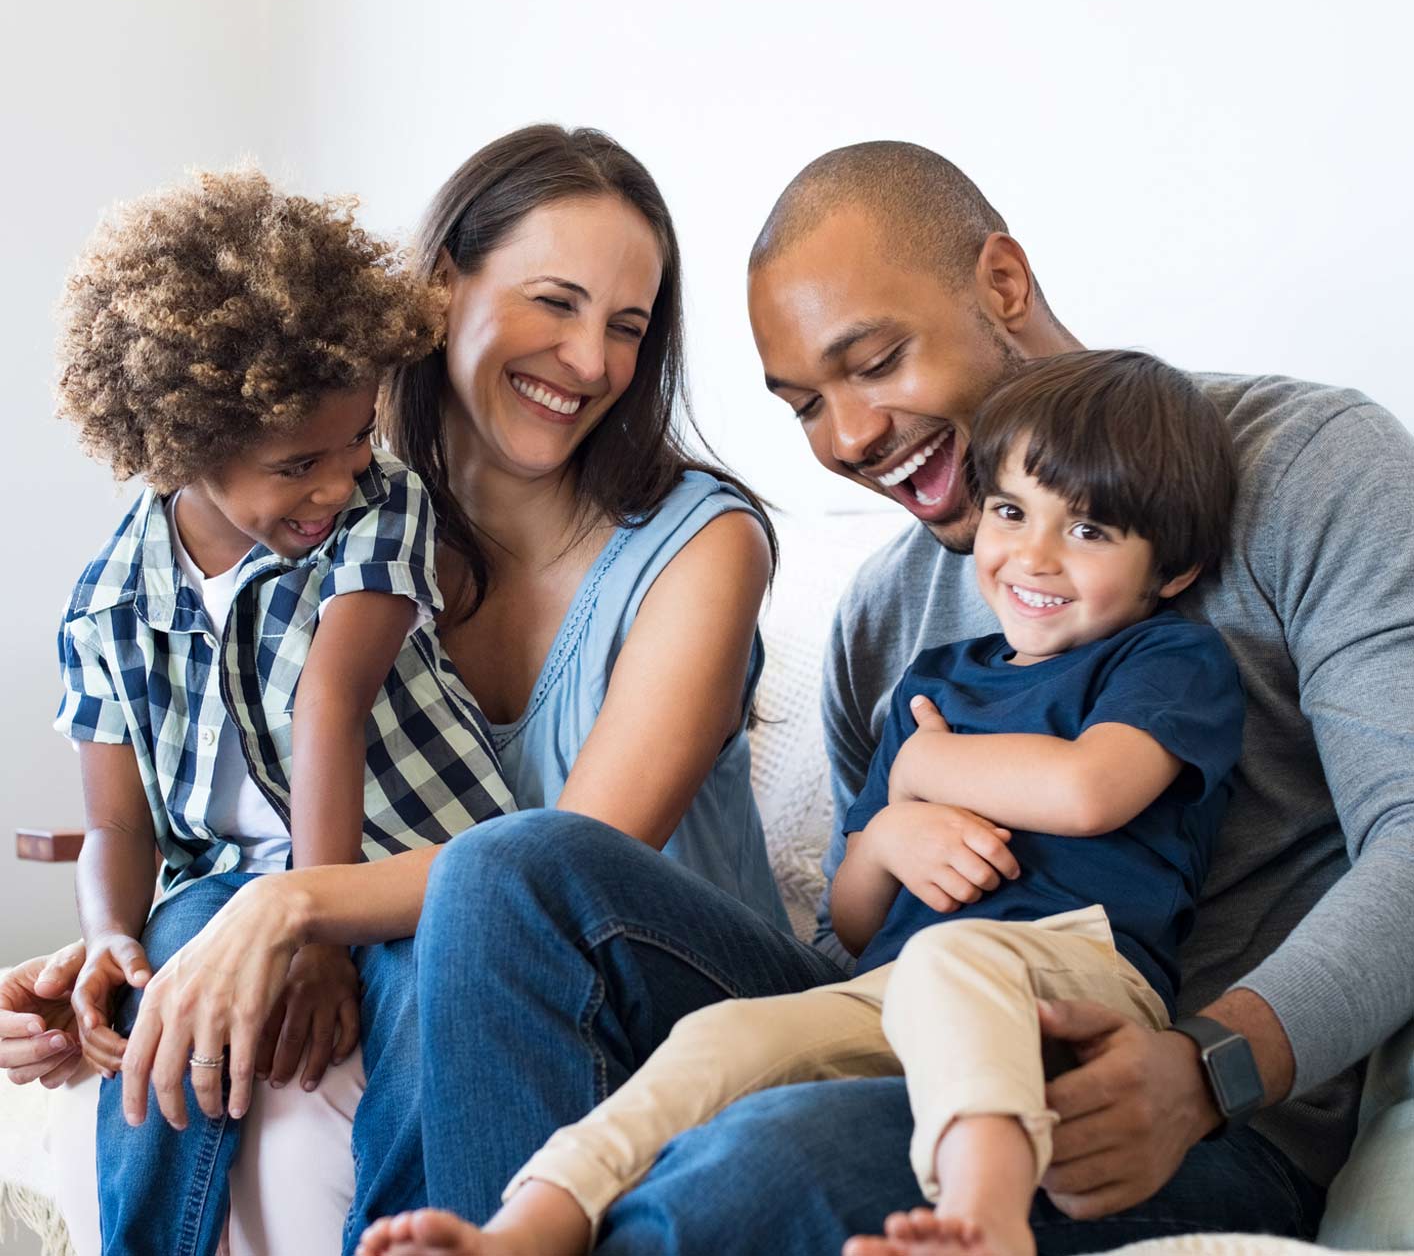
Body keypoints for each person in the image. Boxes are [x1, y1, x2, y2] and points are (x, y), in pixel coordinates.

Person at [341, 139, 1411, 1254]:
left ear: (1000, 285)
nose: (848, 439)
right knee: (508, 866)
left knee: (753, 1161)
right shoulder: (887, 615)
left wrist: (1208, 1068)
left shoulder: (1306, 469)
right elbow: (860, 936)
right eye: (804, 403)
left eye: (877, 360)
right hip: (914, 1024)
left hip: (1183, 1112)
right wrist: (892, 830)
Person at [0, 126, 790, 1253]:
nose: (590, 361)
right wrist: (115, 952)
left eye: (627, 326)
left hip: (652, 991)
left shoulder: (698, 546)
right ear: (437, 290)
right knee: (213, 1006)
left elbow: (565, 865)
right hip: (441, 966)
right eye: (554, 303)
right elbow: (230, 807)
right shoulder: (319, 519)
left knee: (457, 939)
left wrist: (293, 907)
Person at [356, 348, 1244, 1256]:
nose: (1035, 556)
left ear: (1171, 572)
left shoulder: (1166, 660)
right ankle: (527, 1225)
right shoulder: (936, 684)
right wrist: (892, 828)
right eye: (1012, 512)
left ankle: (984, 1223)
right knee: (722, 1038)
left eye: (1090, 533)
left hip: (1074, 980)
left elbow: (1090, 790)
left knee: (954, 962)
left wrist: (925, 773)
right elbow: (854, 921)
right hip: (893, 990)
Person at [51, 166, 514, 1256]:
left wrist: (316, 923)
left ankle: (406, 1237)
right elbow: (119, 824)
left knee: (423, 1003)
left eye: (356, 438)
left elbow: (329, 704)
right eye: (298, 463)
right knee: (163, 989)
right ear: (182, 447)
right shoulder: (109, 602)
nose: (338, 479)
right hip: (220, 885)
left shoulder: (377, 507)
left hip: (407, 861)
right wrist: (108, 938)